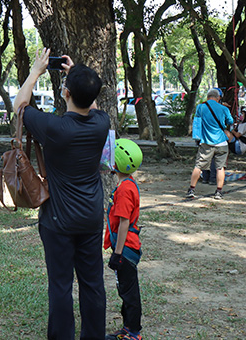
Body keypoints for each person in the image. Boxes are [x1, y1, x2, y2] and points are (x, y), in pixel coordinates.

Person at [12, 49, 109, 340]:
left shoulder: (54, 128)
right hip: (91, 217)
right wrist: (76, 77)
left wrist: (36, 71)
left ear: (65, 93)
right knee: (93, 284)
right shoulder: (101, 123)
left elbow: (19, 105)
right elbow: (89, 102)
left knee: (61, 285)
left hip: (58, 220)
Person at [105, 139, 144, 340]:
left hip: (126, 248)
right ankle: (128, 328)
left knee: (129, 293)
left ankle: (133, 332)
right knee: (125, 290)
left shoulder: (124, 190)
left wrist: (118, 254)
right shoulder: (127, 184)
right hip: (126, 246)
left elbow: (123, 223)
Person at [187, 88, 234, 201]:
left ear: (207, 97)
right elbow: (230, 121)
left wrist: (196, 138)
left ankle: (192, 189)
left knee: (198, 166)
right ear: (218, 98)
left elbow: (197, 123)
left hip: (206, 142)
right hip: (222, 142)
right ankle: (218, 192)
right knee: (220, 168)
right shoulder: (223, 108)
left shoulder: (201, 107)